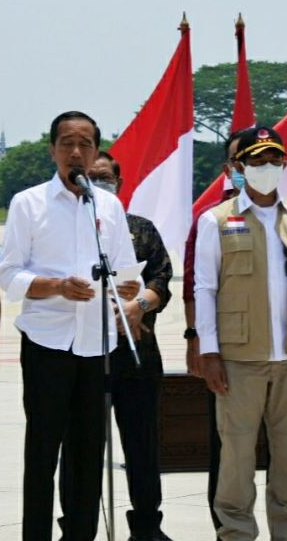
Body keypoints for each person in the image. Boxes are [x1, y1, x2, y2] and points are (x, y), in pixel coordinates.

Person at [0, 111, 141, 541]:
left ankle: (81, 534)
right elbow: (10, 276)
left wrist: (127, 287)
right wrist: (56, 285)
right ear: (52, 149)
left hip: (97, 345)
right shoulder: (29, 203)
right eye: (66, 143)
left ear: (96, 150)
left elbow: (125, 272)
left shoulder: (109, 205)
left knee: (88, 453)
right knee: (43, 452)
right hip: (47, 344)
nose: (75, 152)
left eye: (85, 144)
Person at [194, 125, 287, 541]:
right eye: (257, 161)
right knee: (236, 454)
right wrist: (209, 353)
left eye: (275, 159)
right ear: (239, 168)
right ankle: (236, 532)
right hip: (239, 358)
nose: (267, 167)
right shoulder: (217, 220)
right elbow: (205, 288)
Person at [82, 150, 174, 541]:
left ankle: (147, 525)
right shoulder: (72, 229)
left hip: (137, 351)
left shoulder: (141, 228)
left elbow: (162, 280)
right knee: (82, 446)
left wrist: (138, 307)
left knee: (142, 444)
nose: (101, 185)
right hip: (84, 353)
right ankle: (78, 524)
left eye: (107, 178)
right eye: (93, 178)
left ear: (119, 184)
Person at [182, 129, 248, 534]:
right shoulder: (211, 218)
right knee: (226, 447)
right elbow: (195, 285)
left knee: (281, 448)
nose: (253, 168)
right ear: (229, 169)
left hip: (280, 353)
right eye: (242, 161)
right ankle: (227, 527)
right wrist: (197, 343)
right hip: (227, 351)